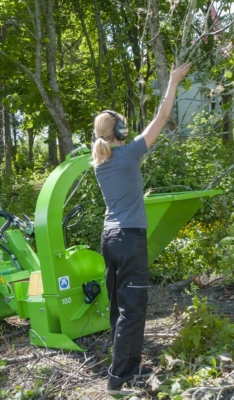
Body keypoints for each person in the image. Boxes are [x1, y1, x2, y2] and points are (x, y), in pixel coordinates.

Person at [91, 63, 191, 396]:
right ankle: (119, 380)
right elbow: (161, 118)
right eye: (122, 124)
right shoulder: (129, 153)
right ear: (118, 131)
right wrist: (172, 82)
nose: (126, 128)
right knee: (133, 309)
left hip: (109, 238)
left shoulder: (102, 161)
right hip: (130, 238)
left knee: (120, 308)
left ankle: (127, 366)